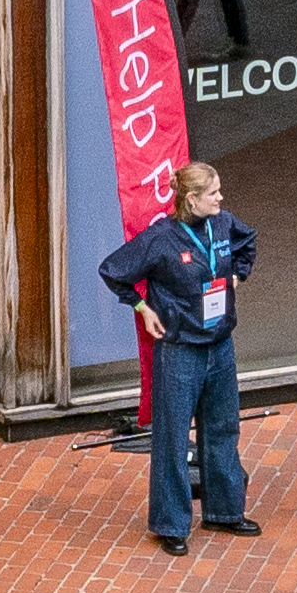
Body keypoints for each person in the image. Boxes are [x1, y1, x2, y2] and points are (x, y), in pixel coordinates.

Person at [98, 158, 257, 554]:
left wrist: (238, 272)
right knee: (171, 437)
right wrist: (143, 308)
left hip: (220, 344)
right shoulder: (160, 239)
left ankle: (225, 512)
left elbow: (246, 241)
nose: (221, 198)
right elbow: (113, 270)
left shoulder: (223, 223)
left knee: (223, 428)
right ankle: (170, 524)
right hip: (180, 349)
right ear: (191, 198)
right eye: (213, 193)